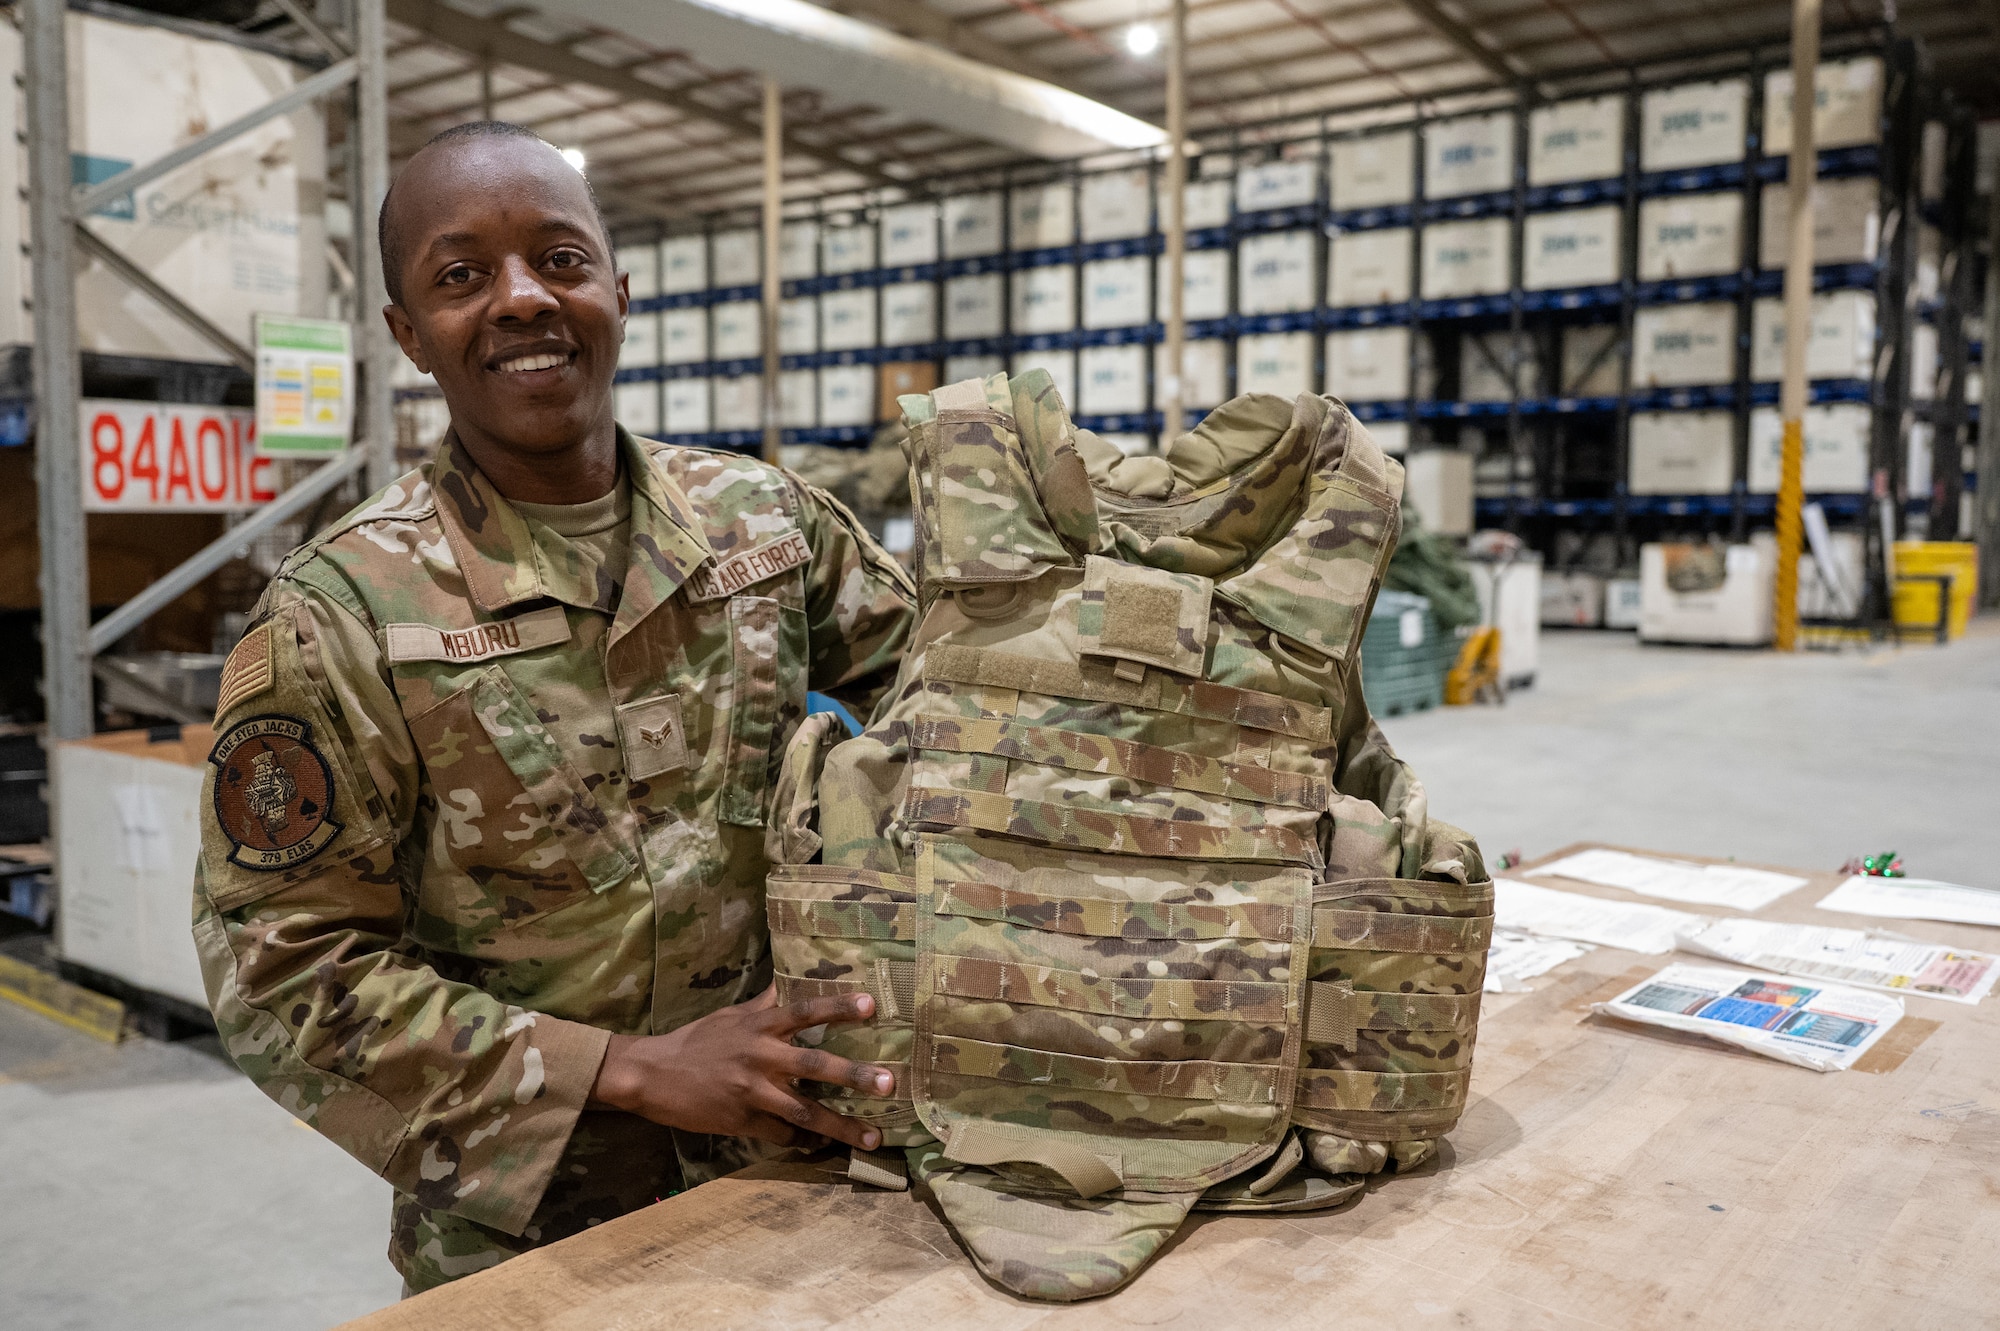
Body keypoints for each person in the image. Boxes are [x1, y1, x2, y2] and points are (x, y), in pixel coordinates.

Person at [191, 121, 917, 1293]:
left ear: (618, 290)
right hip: (533, 1234)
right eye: (461, 275)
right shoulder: (346, 610)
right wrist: (627, 1069)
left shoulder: (763, 525)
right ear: (406, 333)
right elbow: (282, 972)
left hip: (809, 1169)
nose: (522, 299)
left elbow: (954, 701)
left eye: (560, 259)